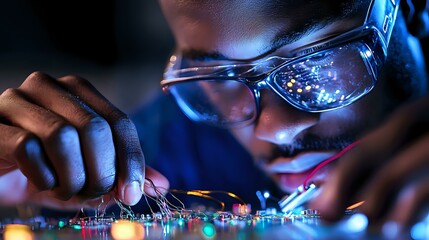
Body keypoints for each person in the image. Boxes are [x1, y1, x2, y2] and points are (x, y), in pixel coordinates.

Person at [0, 0, 428, 231]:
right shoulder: (169, 148)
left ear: (413, 9)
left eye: (314, 61)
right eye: (221, 77)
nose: (274, 130)